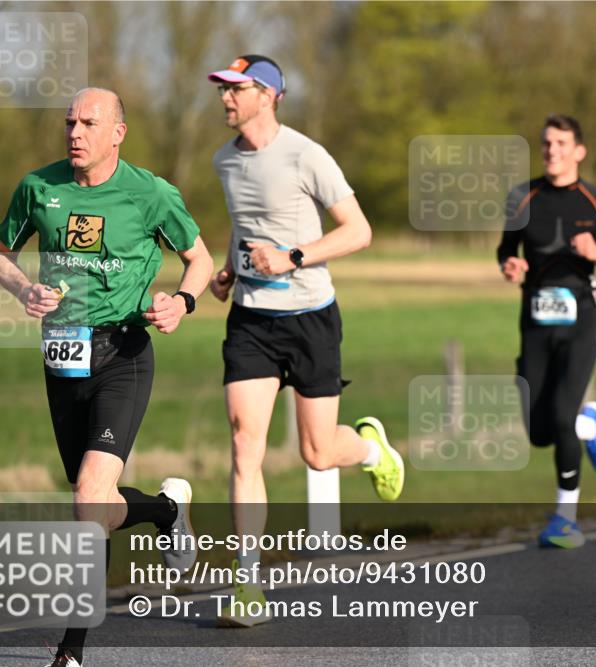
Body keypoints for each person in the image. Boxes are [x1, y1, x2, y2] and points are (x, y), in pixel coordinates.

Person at [0, 87, 214, 666]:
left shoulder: (151, 194)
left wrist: (183, 303)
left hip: (125, 352)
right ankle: (166, 510)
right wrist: (24, 289)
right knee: (96, 505)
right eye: (70, 122)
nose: (75, 132)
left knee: (90, 498)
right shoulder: (39, 188)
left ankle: (71, 652)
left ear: (118, 132)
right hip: (62, 354)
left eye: (89, 123)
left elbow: (201, 260)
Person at [206, 55, 404, 626]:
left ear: (267, 95)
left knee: (317, 453)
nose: (224, 98)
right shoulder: (224, 160)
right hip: (250, 321)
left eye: (235, 89)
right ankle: (247, 584)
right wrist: (228, 269)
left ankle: (371, 449)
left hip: (310, 318)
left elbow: (359, 232)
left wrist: (292, 257)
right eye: (222, 89)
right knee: (246, 443)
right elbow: (246, 227)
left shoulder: (305, 154)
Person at [497, 114, 596, 549]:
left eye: (561, 143)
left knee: (560, 417)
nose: (552, 150)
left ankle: (565, 518)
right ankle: (590, 425)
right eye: (546, 144)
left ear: (579, 151)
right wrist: (510, 265)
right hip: (535, 323)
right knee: (540, 431)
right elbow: (506, 248)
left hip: (580, 321)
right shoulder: (523, 198)